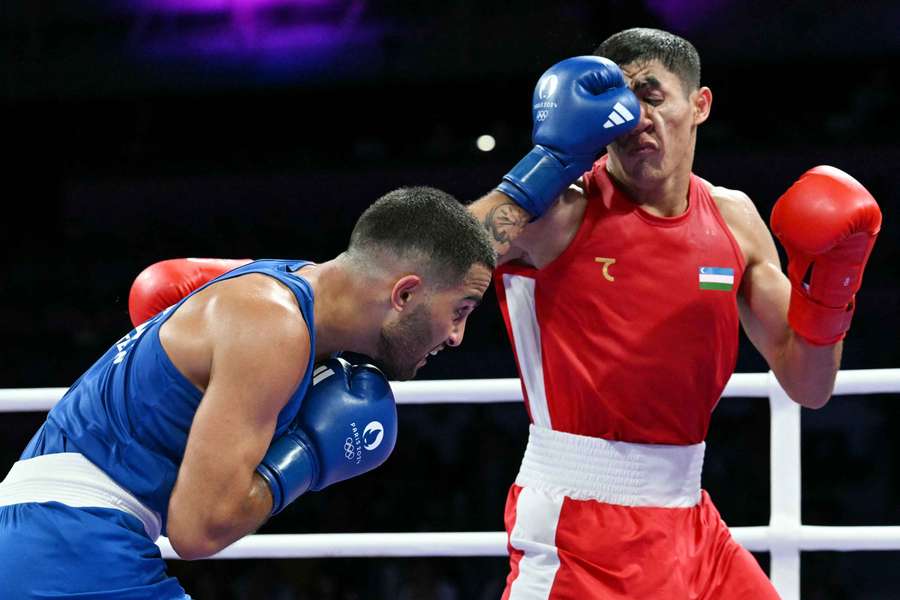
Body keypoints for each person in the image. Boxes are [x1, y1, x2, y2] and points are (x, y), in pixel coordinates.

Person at [466, 29, 882, 599]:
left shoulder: (734, 221)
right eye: (618, 102)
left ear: (700, 105)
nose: (633, 118)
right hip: (580, 524)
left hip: (690, 519)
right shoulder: (561, 212)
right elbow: (445, 258)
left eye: (651, 96)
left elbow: (810, 385)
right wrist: (547, 164)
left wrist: (832, 286)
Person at [0, 186, 496, 599]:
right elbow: (198, 529)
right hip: (71, 546)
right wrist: (305, 456)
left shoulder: (289, 284)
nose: (457, 337)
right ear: (404, 294)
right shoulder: (274, 329)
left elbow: (441, 241)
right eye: (462, 310)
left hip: (51, 535)